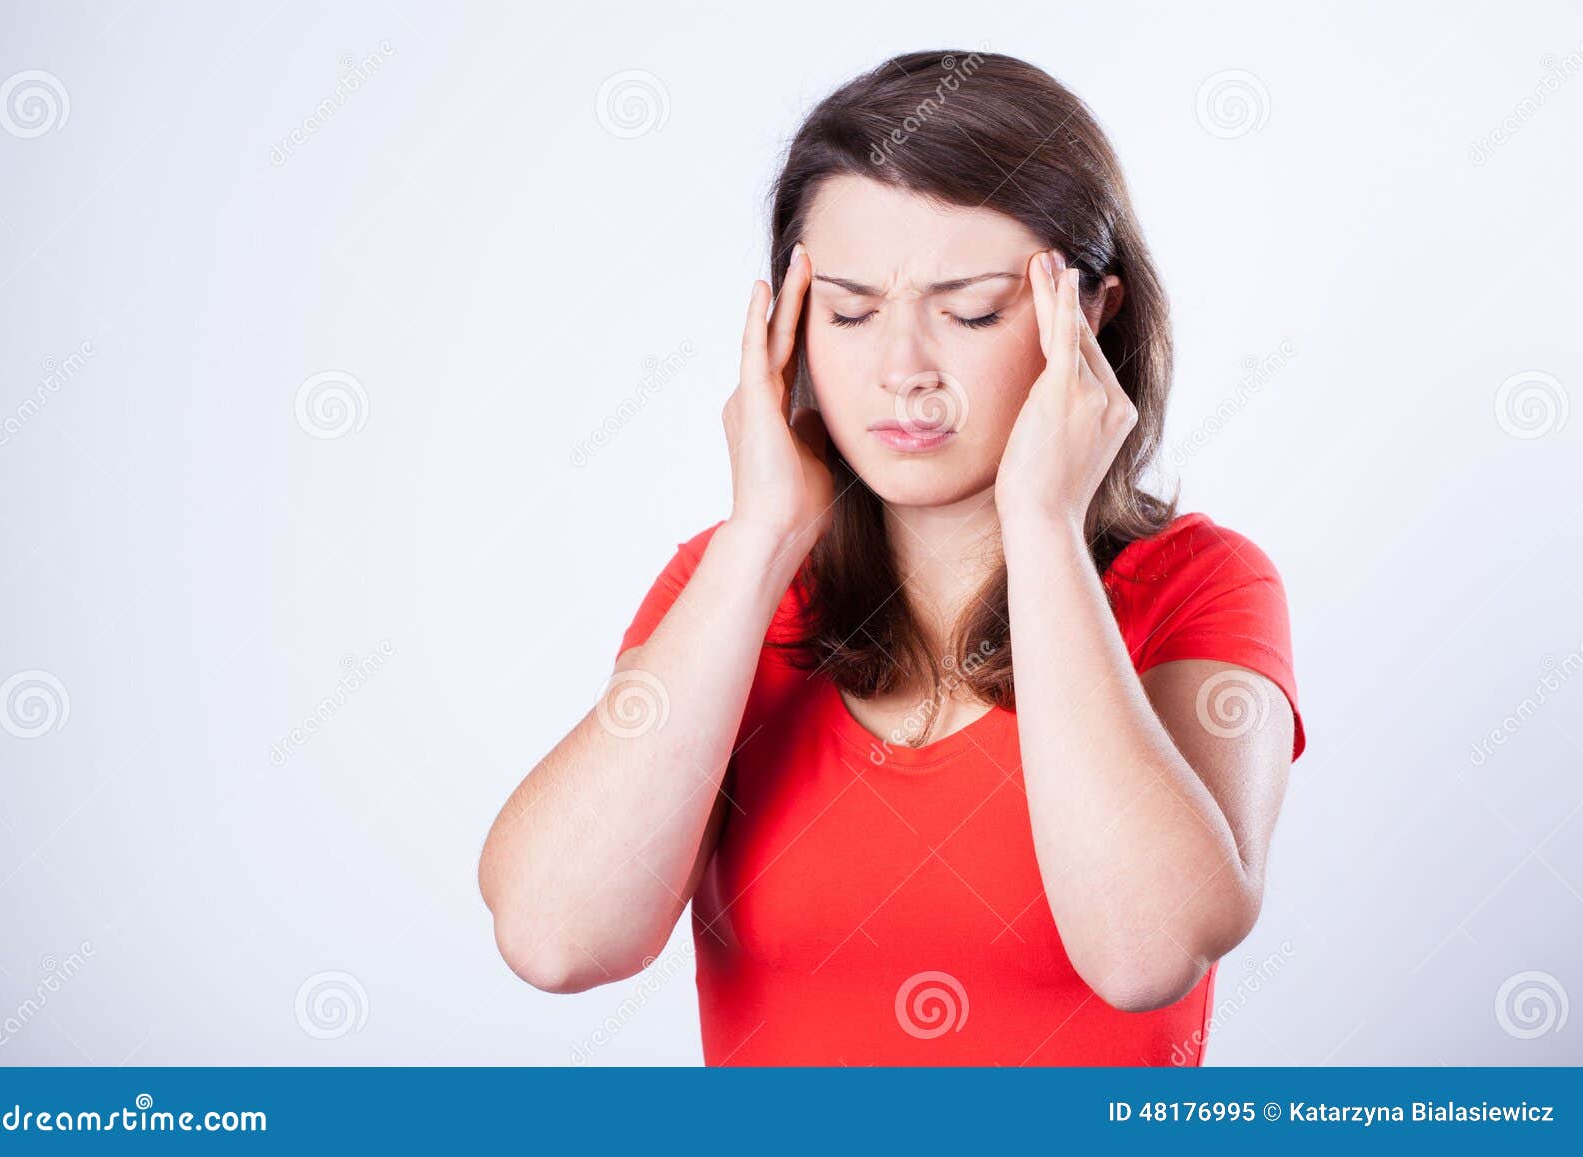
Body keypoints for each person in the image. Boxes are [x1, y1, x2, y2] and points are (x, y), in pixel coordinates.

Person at [479, 49, 1306, 1066]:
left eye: (970, 312)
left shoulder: (1198, 584)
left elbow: (1146, 953)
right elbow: (556, 940)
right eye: (851, 311)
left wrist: (1042, 525)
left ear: (1089, 315)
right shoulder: (729, 583)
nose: (901, 370)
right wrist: (763, 536)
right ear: (783, 326)